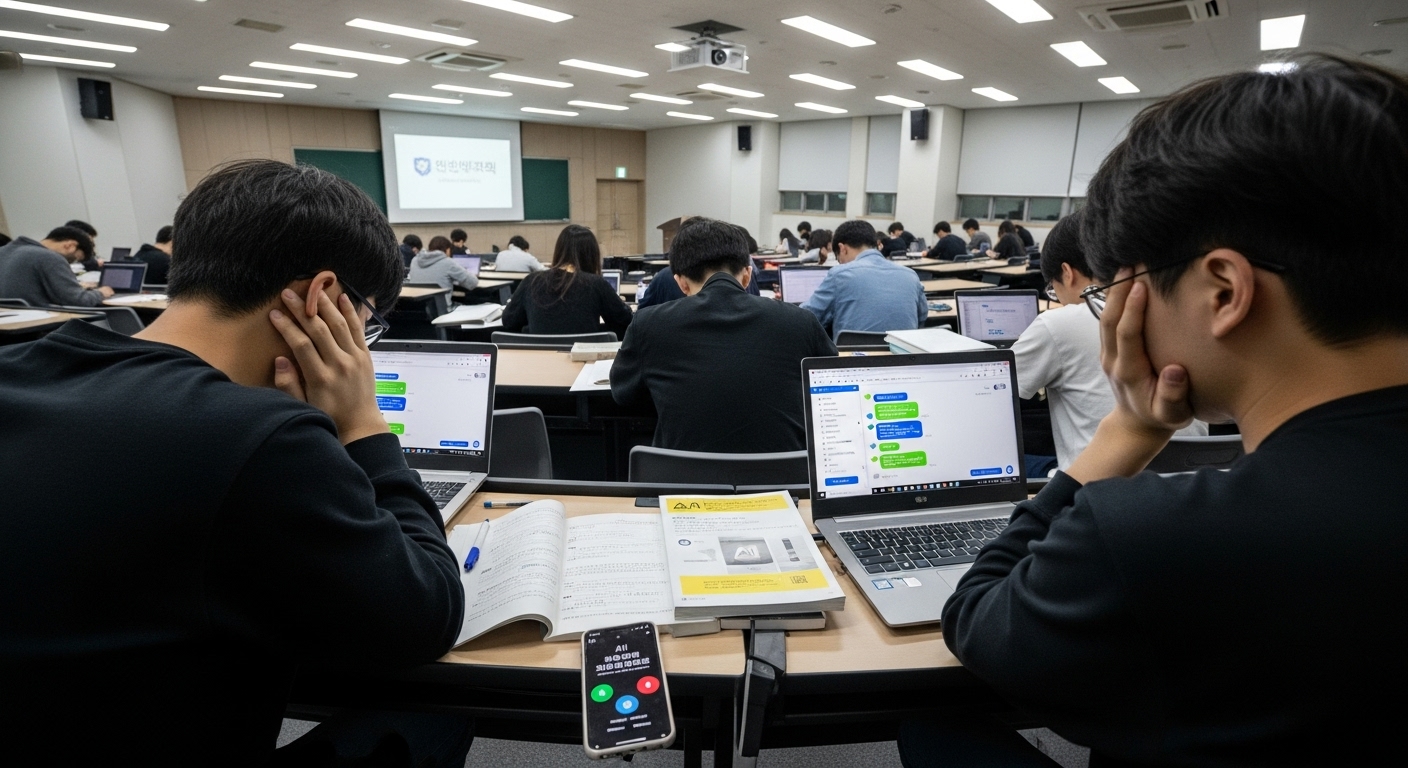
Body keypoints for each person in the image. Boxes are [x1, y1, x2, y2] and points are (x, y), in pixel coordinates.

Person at [910, 55, 1408, 767]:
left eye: (1125, 286)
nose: (1117, 314)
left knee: (933, 731)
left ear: (1222, 291)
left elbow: (979, 619)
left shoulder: (1157, 538)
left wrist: (1129, 429)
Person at [0, 160, 470, 765]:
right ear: (324, 300)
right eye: (367, 323)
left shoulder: (16, 372)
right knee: (432, 715)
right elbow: (424, 615)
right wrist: (363, 424)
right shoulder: (257, 437)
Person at [611, 218, 836, 452]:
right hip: (785, 482)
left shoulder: (648, 325)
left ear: (681, 284)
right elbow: (833, 391)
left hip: (682, 483)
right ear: (747, 276)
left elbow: (623, 395)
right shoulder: (801, 322)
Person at [1013, 211, 1205, 477]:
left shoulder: (1057, 324)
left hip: (1099, 492)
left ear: (1067, 273)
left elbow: (997, 390)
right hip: (1191, 482)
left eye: (1053, 289)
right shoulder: (1181, 312)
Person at [800, 220, 927, 341]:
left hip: (853, 360)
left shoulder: (840, 274)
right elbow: (921, 318)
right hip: (903, 360)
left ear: (842, 248)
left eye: (839, 260)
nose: (841, 264)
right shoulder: (911, 276)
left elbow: (805, 318)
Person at [502, 224, 632, 338]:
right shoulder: (596, 284)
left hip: (539, 360)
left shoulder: (531, 281)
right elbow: (626, 321)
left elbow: (509, 321)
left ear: (559, 250)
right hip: (583, 361)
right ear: (592, 255)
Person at [0, 225, 111, 306]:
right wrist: (101, 293)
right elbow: (77, 300)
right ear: (70, 246)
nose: (71, 263)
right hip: (40, 329)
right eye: (75, 259)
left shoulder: (4, 250)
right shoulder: (49, 257)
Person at [409, 235, 478, 291]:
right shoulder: (448, 262)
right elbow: (472, 283)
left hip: (417, 306)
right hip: (441, 306)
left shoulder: (415, 260)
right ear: (447, 250)